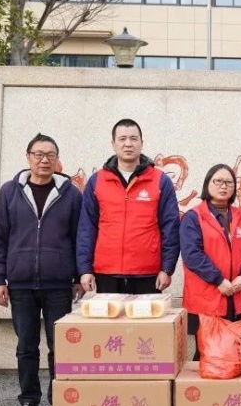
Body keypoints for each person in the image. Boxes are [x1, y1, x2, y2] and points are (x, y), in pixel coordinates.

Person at [0, 133, 82, 406]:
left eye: (50, 155)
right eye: (38, 154)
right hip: (21, 283)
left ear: (57, 159)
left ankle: (60, 398)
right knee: (26, 346)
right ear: (28, 157)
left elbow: (80, 238)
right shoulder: (10, 192)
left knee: (60, 346)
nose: (44, 160)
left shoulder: (70, 194)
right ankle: (29, 402)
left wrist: (79, 275)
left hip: (58, 284)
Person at [77, 118, 180, 295]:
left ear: (142, 143)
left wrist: (167, 268)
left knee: (146, 315)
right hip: (106, 272)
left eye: (133, 138)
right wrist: (85, 269)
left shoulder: (160, 181)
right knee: (110, 315)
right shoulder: (97, 181)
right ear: (113, 144)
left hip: (148, 273)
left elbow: (171, 227)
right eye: (122, 139)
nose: (128, 144)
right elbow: (87, 227)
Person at [180, 164, 241, 360]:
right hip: (207, 299)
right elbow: (192, 254)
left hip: (238, 294)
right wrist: (218, 280)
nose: (223, 186)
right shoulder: (194, 217)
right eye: (217, 181)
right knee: (207, 354)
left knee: (237, 353)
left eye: (228, 182)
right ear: (207, 184)